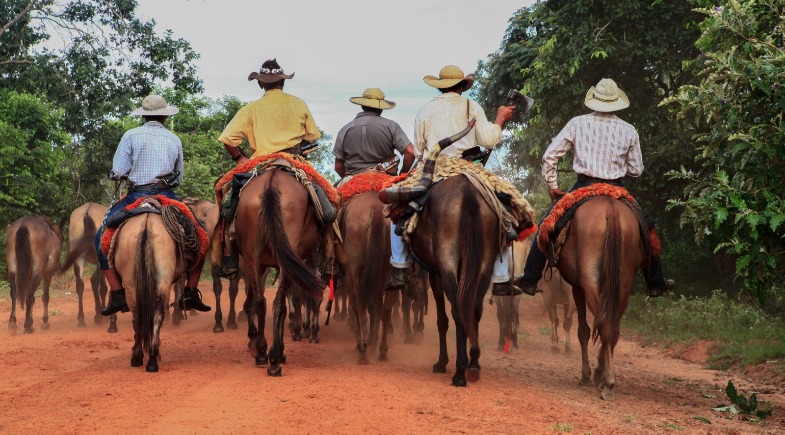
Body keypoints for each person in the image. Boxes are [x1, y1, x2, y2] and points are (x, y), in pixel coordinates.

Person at [515, 78, 675, 297]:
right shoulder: (629, 130)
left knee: (546, 225)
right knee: (648, 229)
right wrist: (616, 170)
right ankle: (655, 282)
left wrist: (553, 185)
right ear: (616, 101)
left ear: (595, 99)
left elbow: (550, 156)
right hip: (617, 190)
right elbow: (636, 170)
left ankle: (530, 279)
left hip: (584, 186)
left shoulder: (577, 123)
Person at [385, 65, 530, 297]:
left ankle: (400, 266)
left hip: (432, 170)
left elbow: (420, 150)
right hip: (468, 169)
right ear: (462, 87)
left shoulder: (425, 110)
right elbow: (489, 140)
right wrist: (500, 119)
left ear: (440, 87)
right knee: (505, 211)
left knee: (397, 212)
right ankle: (501, 278)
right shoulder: (472, 106)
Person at [217, 58, 336, 281]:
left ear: (260, 83)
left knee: (225, 197)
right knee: (329, 202)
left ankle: (226, 252)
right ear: (283, 82)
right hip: (294, 161)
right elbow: (312, 137)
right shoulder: (298, 104)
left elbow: (228, 139)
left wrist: (240, 159)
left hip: (259, 163)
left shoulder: (251, 108)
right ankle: (330, 253)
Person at [98, 95, 211, 316]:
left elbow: (118, 171)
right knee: (201, 238)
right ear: (164, 116)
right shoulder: (174, 139)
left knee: (101, 236)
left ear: (143, 115)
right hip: (166, 197)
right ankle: (190, 291)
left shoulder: (130, 135)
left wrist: (119, 175)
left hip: (135, 196)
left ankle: (118, 293)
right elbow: (178, 177)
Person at [333, 87, 415, 181]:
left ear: (362, 105)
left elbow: (338, 167)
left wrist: (351, 181)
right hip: (384, 179)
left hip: (352, 179)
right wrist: (402, 175)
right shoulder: (391, 126)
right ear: (381, 108)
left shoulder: (345, 130)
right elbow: (410, 152)